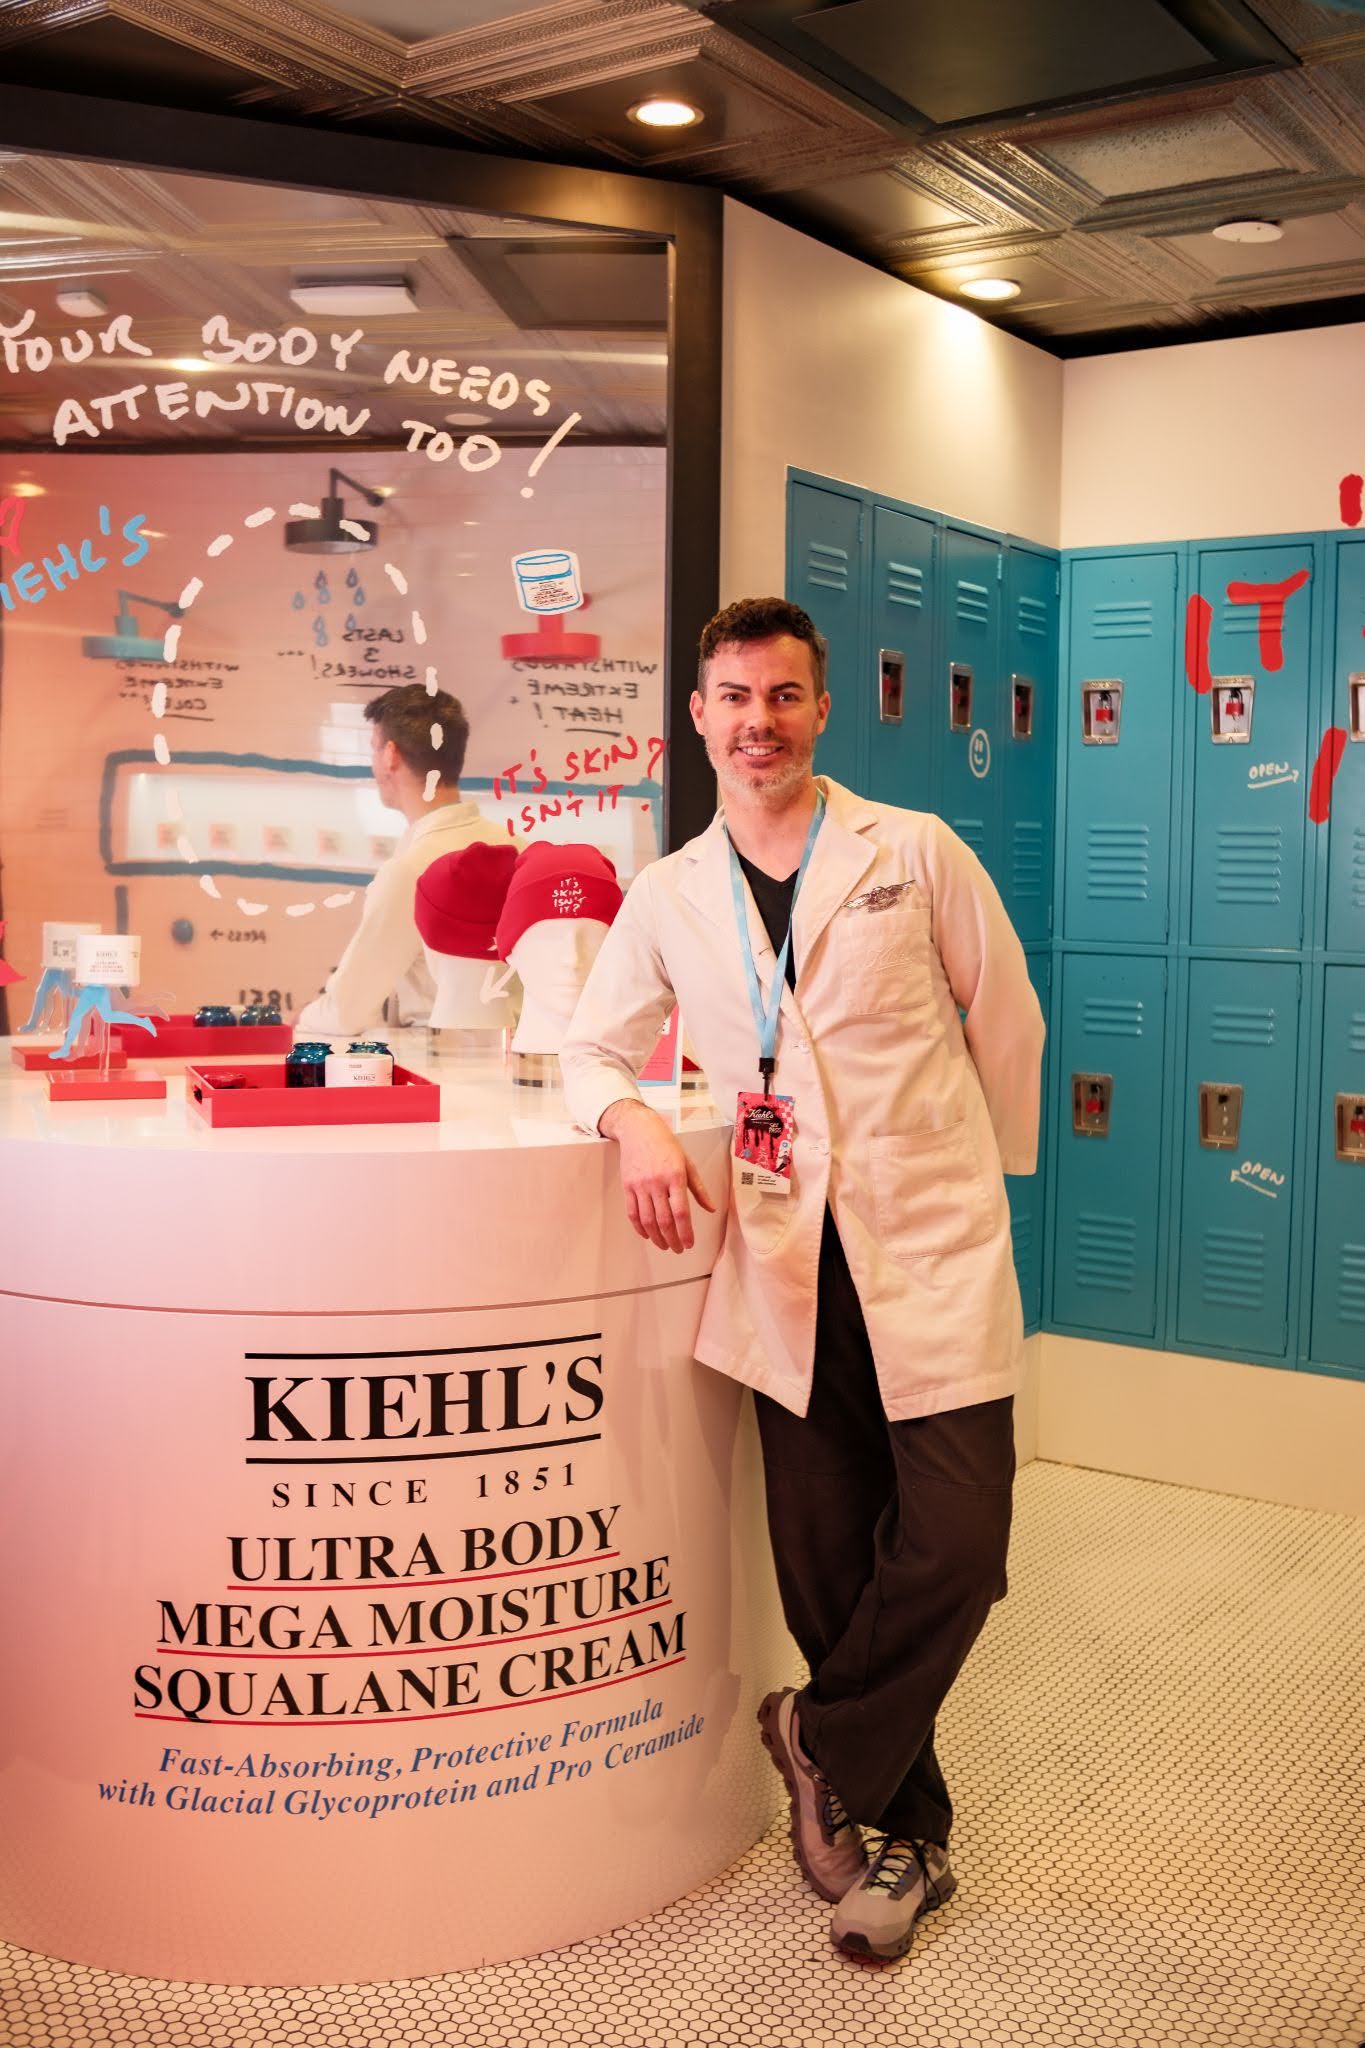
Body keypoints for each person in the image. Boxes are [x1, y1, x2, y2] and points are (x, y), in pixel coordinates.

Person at [560, 595, 1045, 1965]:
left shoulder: (916, 849)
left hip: (927, 1245)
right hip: (781, 1259)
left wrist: (977, 1178)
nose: (757, 722)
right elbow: (590, 1049)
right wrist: (634, 1124)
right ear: (699, 715)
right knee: (827, 1565)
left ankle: (813, 1731)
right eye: (733, 697)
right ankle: (906, 1837)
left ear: (822, 708)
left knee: (960, 1544)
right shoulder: (669, 893)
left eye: (782, 695)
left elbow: (1005, 1016)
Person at [296, 684, 507, 1037]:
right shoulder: (516, 846)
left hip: (439, 1057)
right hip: (517, 1055)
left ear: (390, 755)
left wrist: (301, 1020)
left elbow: (345, 1013)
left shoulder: (412, 869)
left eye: (374, 748)